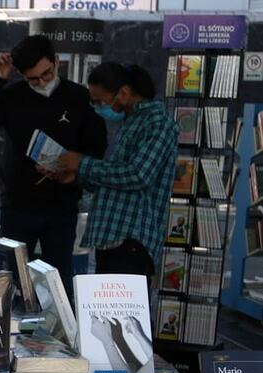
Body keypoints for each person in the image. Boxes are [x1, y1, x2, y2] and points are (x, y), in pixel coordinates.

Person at [0, 35, 106, 300]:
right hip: (18, 205)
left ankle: (61, 339)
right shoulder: (11, 96)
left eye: (47, 74)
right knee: (12, 283)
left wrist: (73, 168)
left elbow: (96, 146)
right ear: (22, 75)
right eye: (33, 79)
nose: (42, 82)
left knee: (58, 283)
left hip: (62, 205)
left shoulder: (78, 96)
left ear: (56, 62)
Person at [53, 63, 177, 287]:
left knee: (126, 319)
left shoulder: (158, 124)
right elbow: (115, 180)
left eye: (100, 101)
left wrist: (82, 163)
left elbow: (138, 175)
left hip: (132, 242)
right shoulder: (131, 122)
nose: (98, 107)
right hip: (111, 239)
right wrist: (77, 175)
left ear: (124, 93)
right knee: (107, 320)